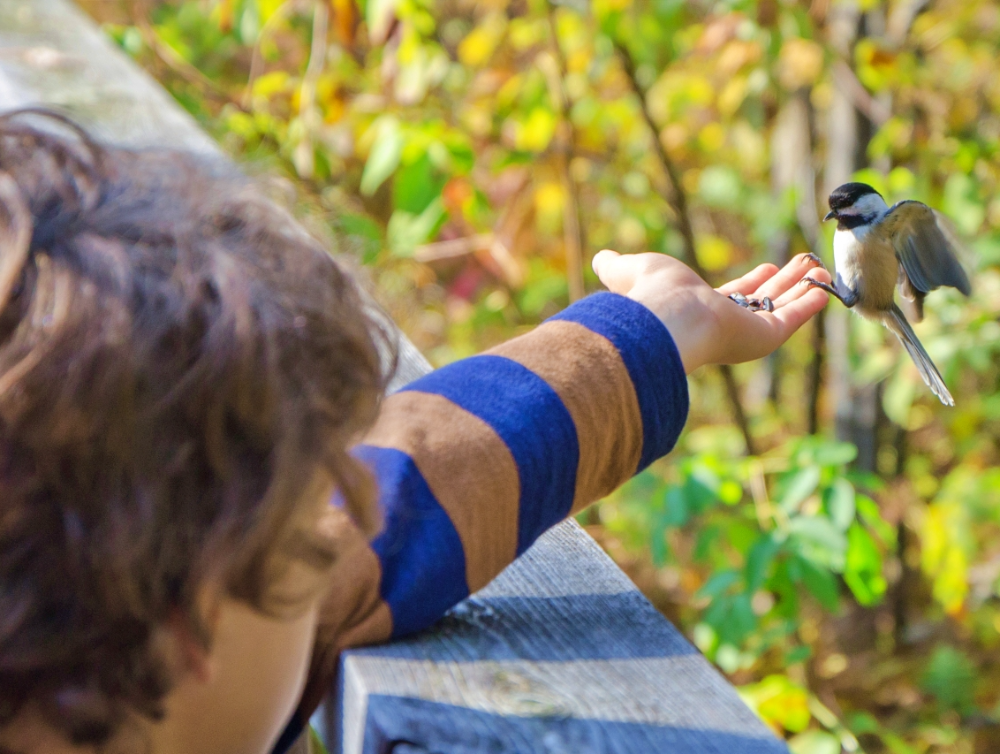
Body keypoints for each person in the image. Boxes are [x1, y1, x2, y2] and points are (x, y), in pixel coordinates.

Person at [0, 110, 831, 754]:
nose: (339, 527)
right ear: (200, 625)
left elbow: (408, 498)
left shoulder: (108, 625)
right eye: (309, 544)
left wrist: (647, 336)